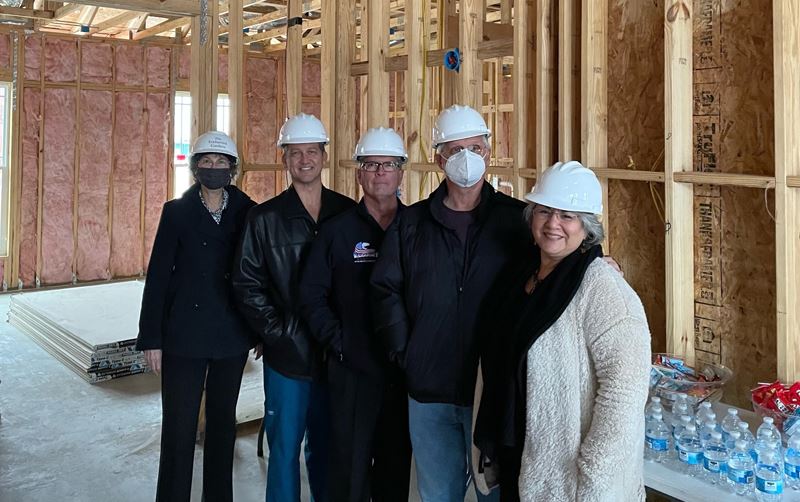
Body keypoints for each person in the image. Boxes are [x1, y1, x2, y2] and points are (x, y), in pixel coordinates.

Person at [370, 104, 530, 501]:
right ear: (438, 158)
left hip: (492, 391)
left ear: (489, 152)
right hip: (429, 390)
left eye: (474, 148)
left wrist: (595, 257)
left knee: (494, 494)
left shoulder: (517, 221)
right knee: (438, 493)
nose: (466, 159)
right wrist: (405, 352)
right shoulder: (413, 223)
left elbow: (558, 260)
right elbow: (384, 288)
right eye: (455, 150)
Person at [473, 161, 651, 501]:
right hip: (519, 455)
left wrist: (594, 472)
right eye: (544, 211)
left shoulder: (603, 291)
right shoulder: (522, 274)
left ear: (587, 227)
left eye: (567, 216)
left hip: (568, 478)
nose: (553, 224)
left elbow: (624, 394)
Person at [232, 113, 356, 502]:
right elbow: (246, 283)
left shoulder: (347, 212)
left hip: (336, 355)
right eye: (295, 152)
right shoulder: (264, 219)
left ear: (324, 155)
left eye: (312, 151)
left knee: (328, 450)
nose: (304, 160)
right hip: (289, 359)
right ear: (284, 158)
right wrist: (278, 332)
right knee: (284, 451)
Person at [136, 130, 256, 502]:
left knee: (222, 426)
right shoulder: (176, 213)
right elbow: (158, 276)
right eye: (207, 161)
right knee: (179, 427)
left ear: (232, 169)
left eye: (222, 163)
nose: (214, 168)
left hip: (230, 334)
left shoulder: (247, 211)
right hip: (183, 335)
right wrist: (151, 337)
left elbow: (257, 273)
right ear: (196, 167)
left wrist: (260, 329)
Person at [299, 127, 413, 502]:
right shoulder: (337, 231)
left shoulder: (418, 228)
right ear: (359, 173)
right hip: (351, 372)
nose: (380, 172)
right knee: (348, 467)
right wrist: (341, 343)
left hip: (402, 372)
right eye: (371, 164)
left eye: (388, 164)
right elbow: (312, 296)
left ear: (401, 172)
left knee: (395, 466)